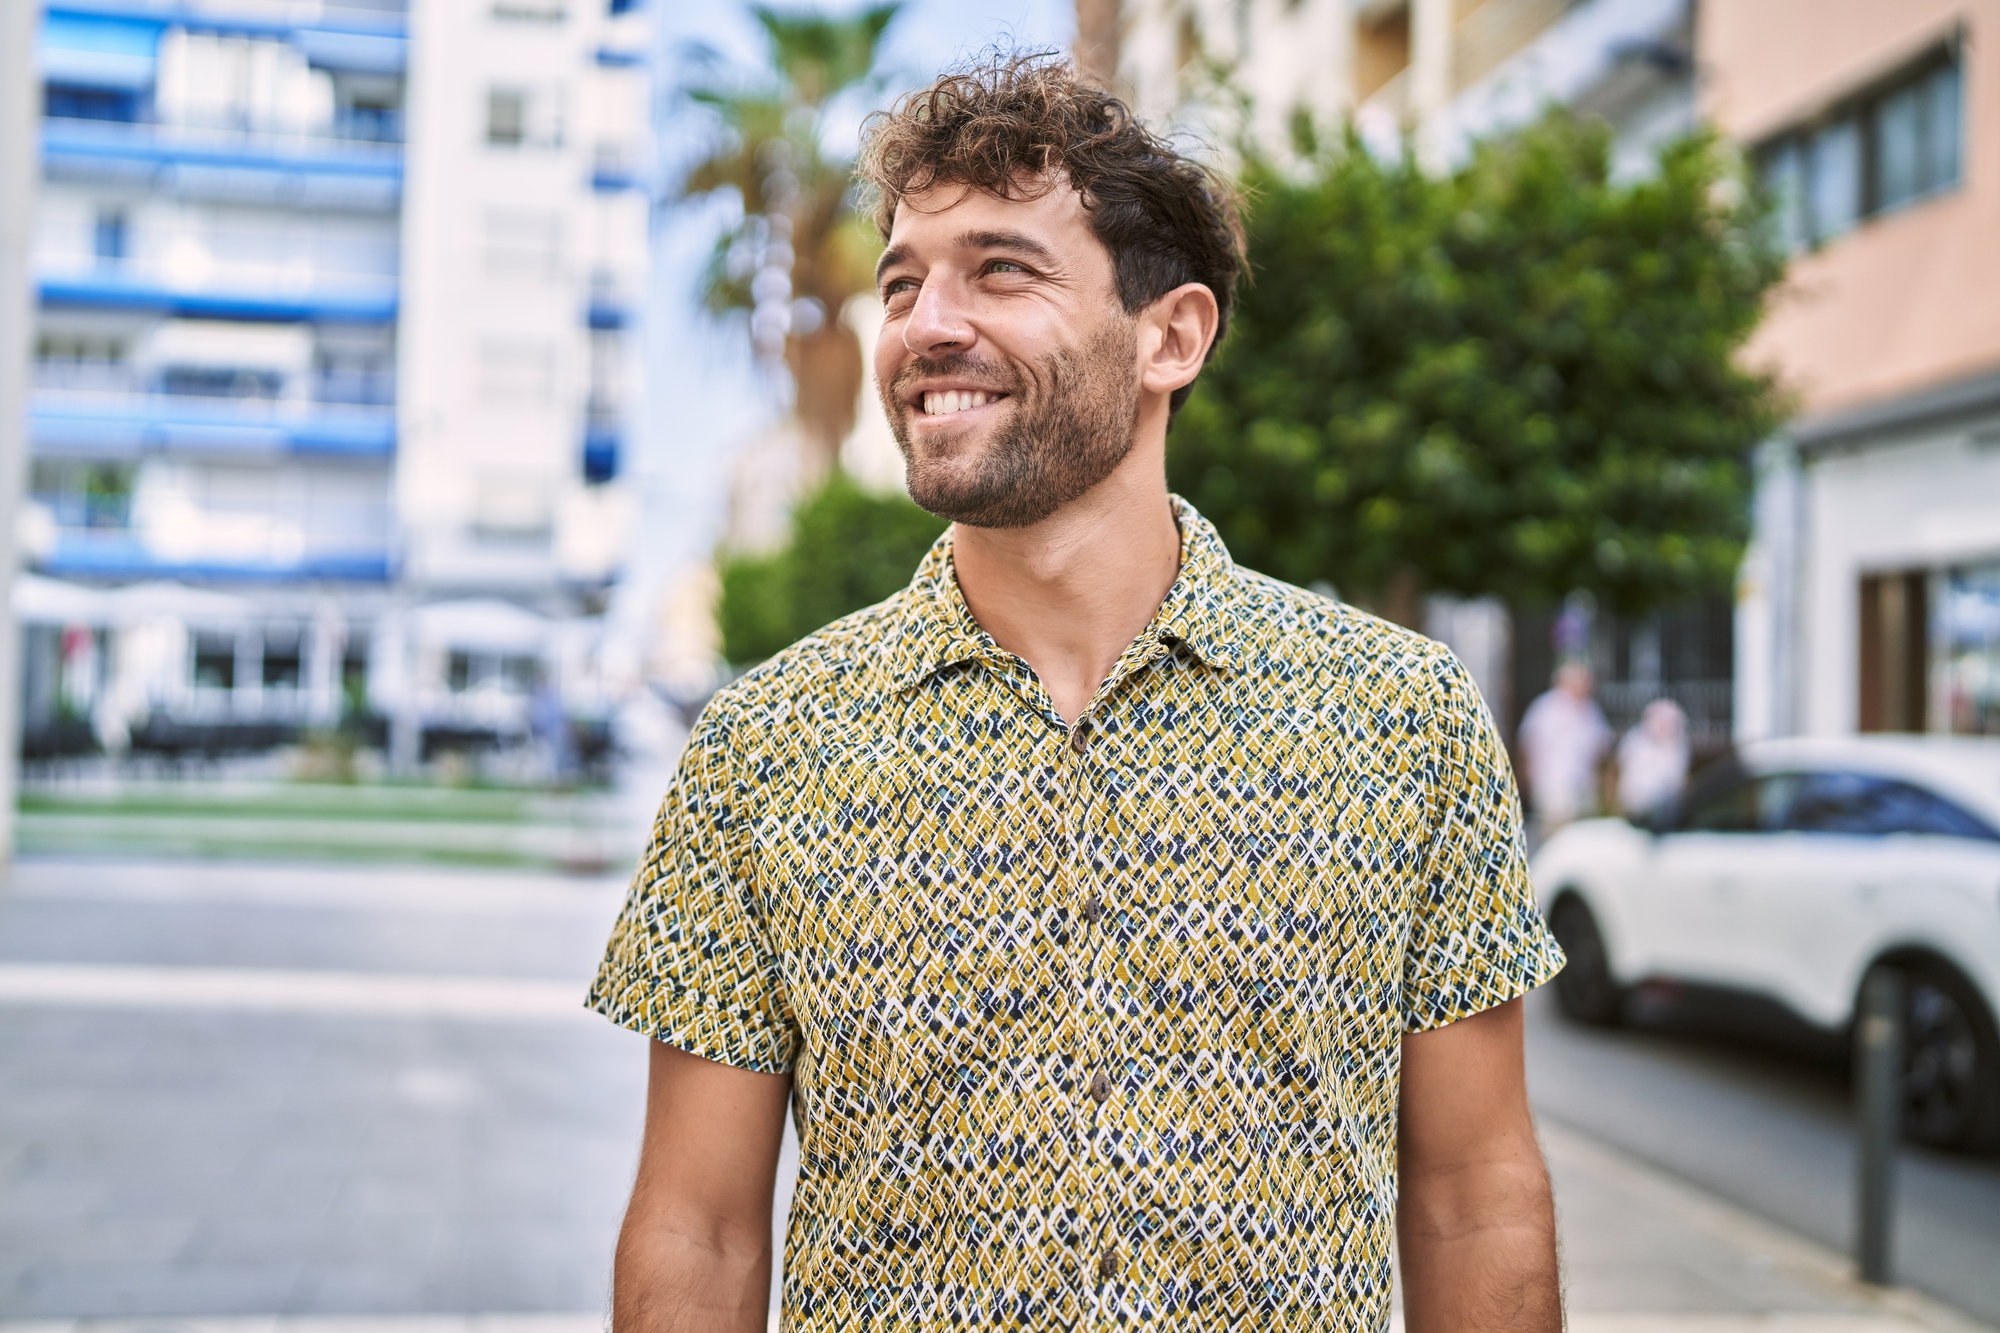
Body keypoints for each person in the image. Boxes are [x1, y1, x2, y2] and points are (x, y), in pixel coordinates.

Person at [591, 54, 1566, 1333]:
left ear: (1170, 336)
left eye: (1000, 270)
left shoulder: (1402, 721)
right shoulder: (763, 750)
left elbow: (1472, 1193)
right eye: (903, 282)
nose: (926, 324)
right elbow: (698, 1226)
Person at [1516, 659, 1613, 841]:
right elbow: (1527, 745)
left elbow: (1602, 751)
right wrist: (1526, 782)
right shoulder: (1545, 708)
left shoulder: (1591, 711)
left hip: (1583, 787)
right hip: (1553, 785)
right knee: (1554, 838)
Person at [1616, 697, 1690, 822]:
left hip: (1663, 809)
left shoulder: (1678, 747)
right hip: (1634, 806)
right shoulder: (1635, 739)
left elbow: (1676, 780)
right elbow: (1621, 764)